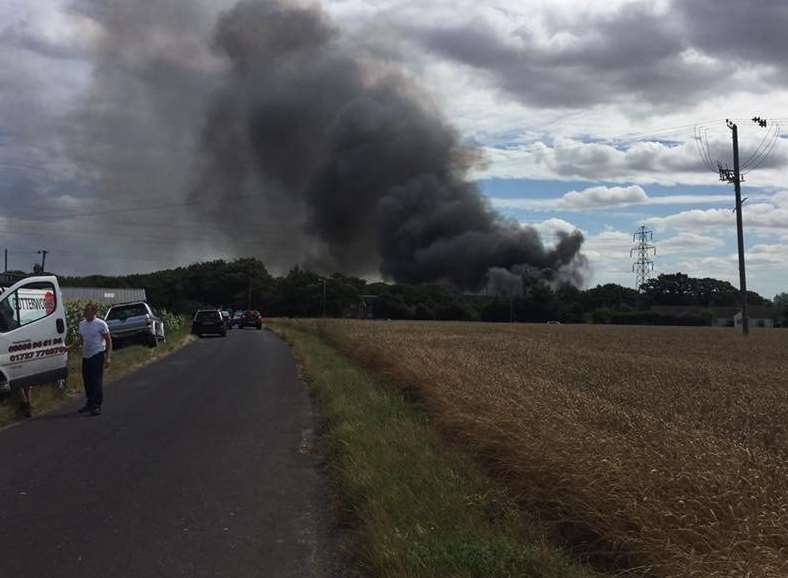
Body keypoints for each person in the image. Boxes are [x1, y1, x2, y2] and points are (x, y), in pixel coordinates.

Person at [78, 303, 112, 416]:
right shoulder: (82, 324)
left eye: (87, 311)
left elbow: (108, 341)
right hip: (86, 356)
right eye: (85, 311)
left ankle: (97, 406)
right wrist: (69, 347)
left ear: (94, 312)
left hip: (97, 354)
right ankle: (89, 403)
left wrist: (108, 357)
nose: (85, 313)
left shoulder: (101, 324)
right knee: (87, 380)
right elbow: (80, 339)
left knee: (96, 381)